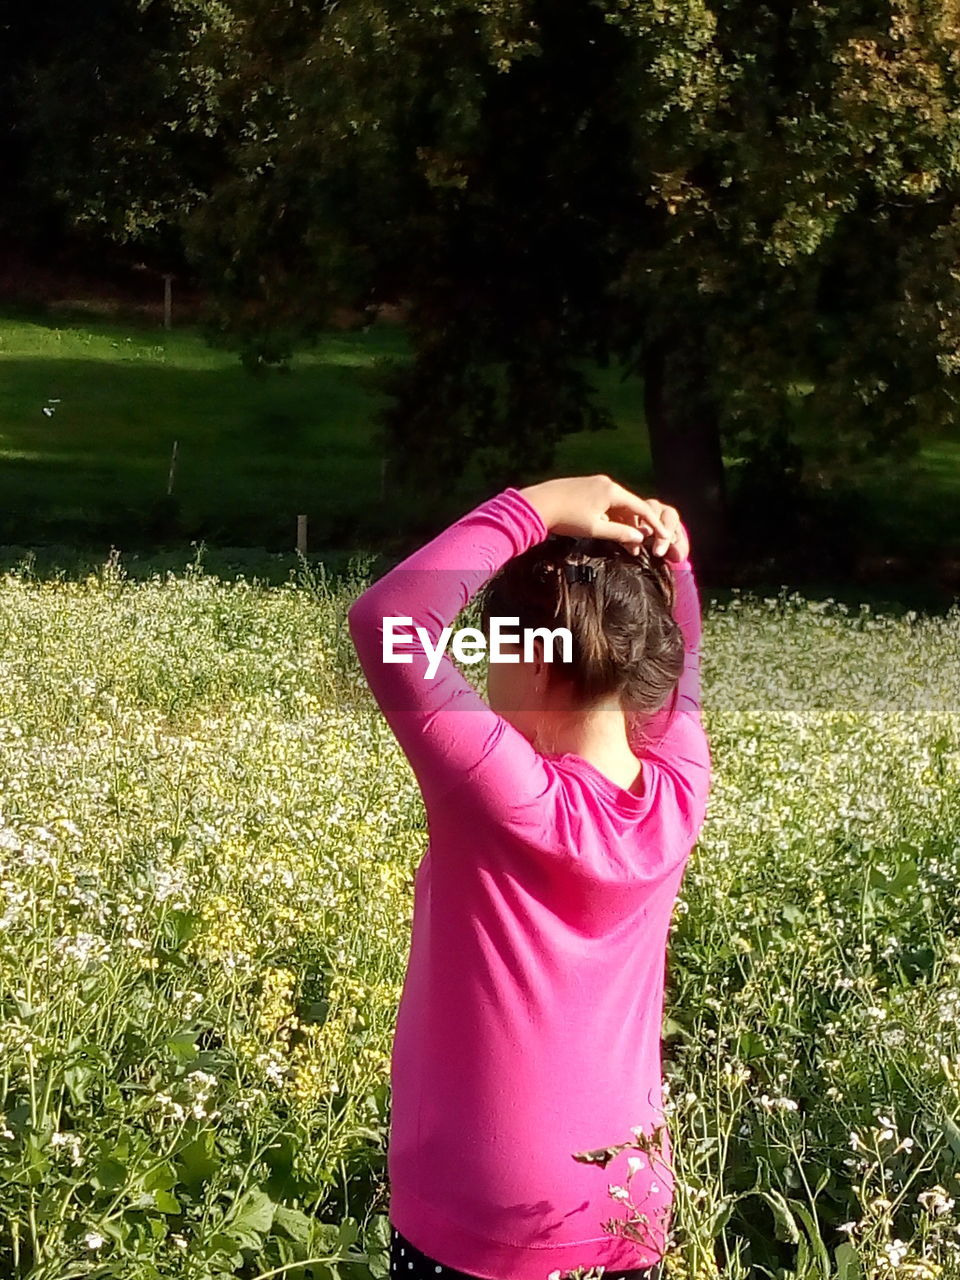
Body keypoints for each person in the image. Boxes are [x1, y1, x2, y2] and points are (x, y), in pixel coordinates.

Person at [347, 475, 711, 1280]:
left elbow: (388, 622)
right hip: (627, 1193)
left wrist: (537, 509)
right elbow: (679, 672)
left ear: (542, 665)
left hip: (480, 1208)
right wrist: (672, 562)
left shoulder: (503, 793)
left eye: (498, 650)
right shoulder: (681, 791)